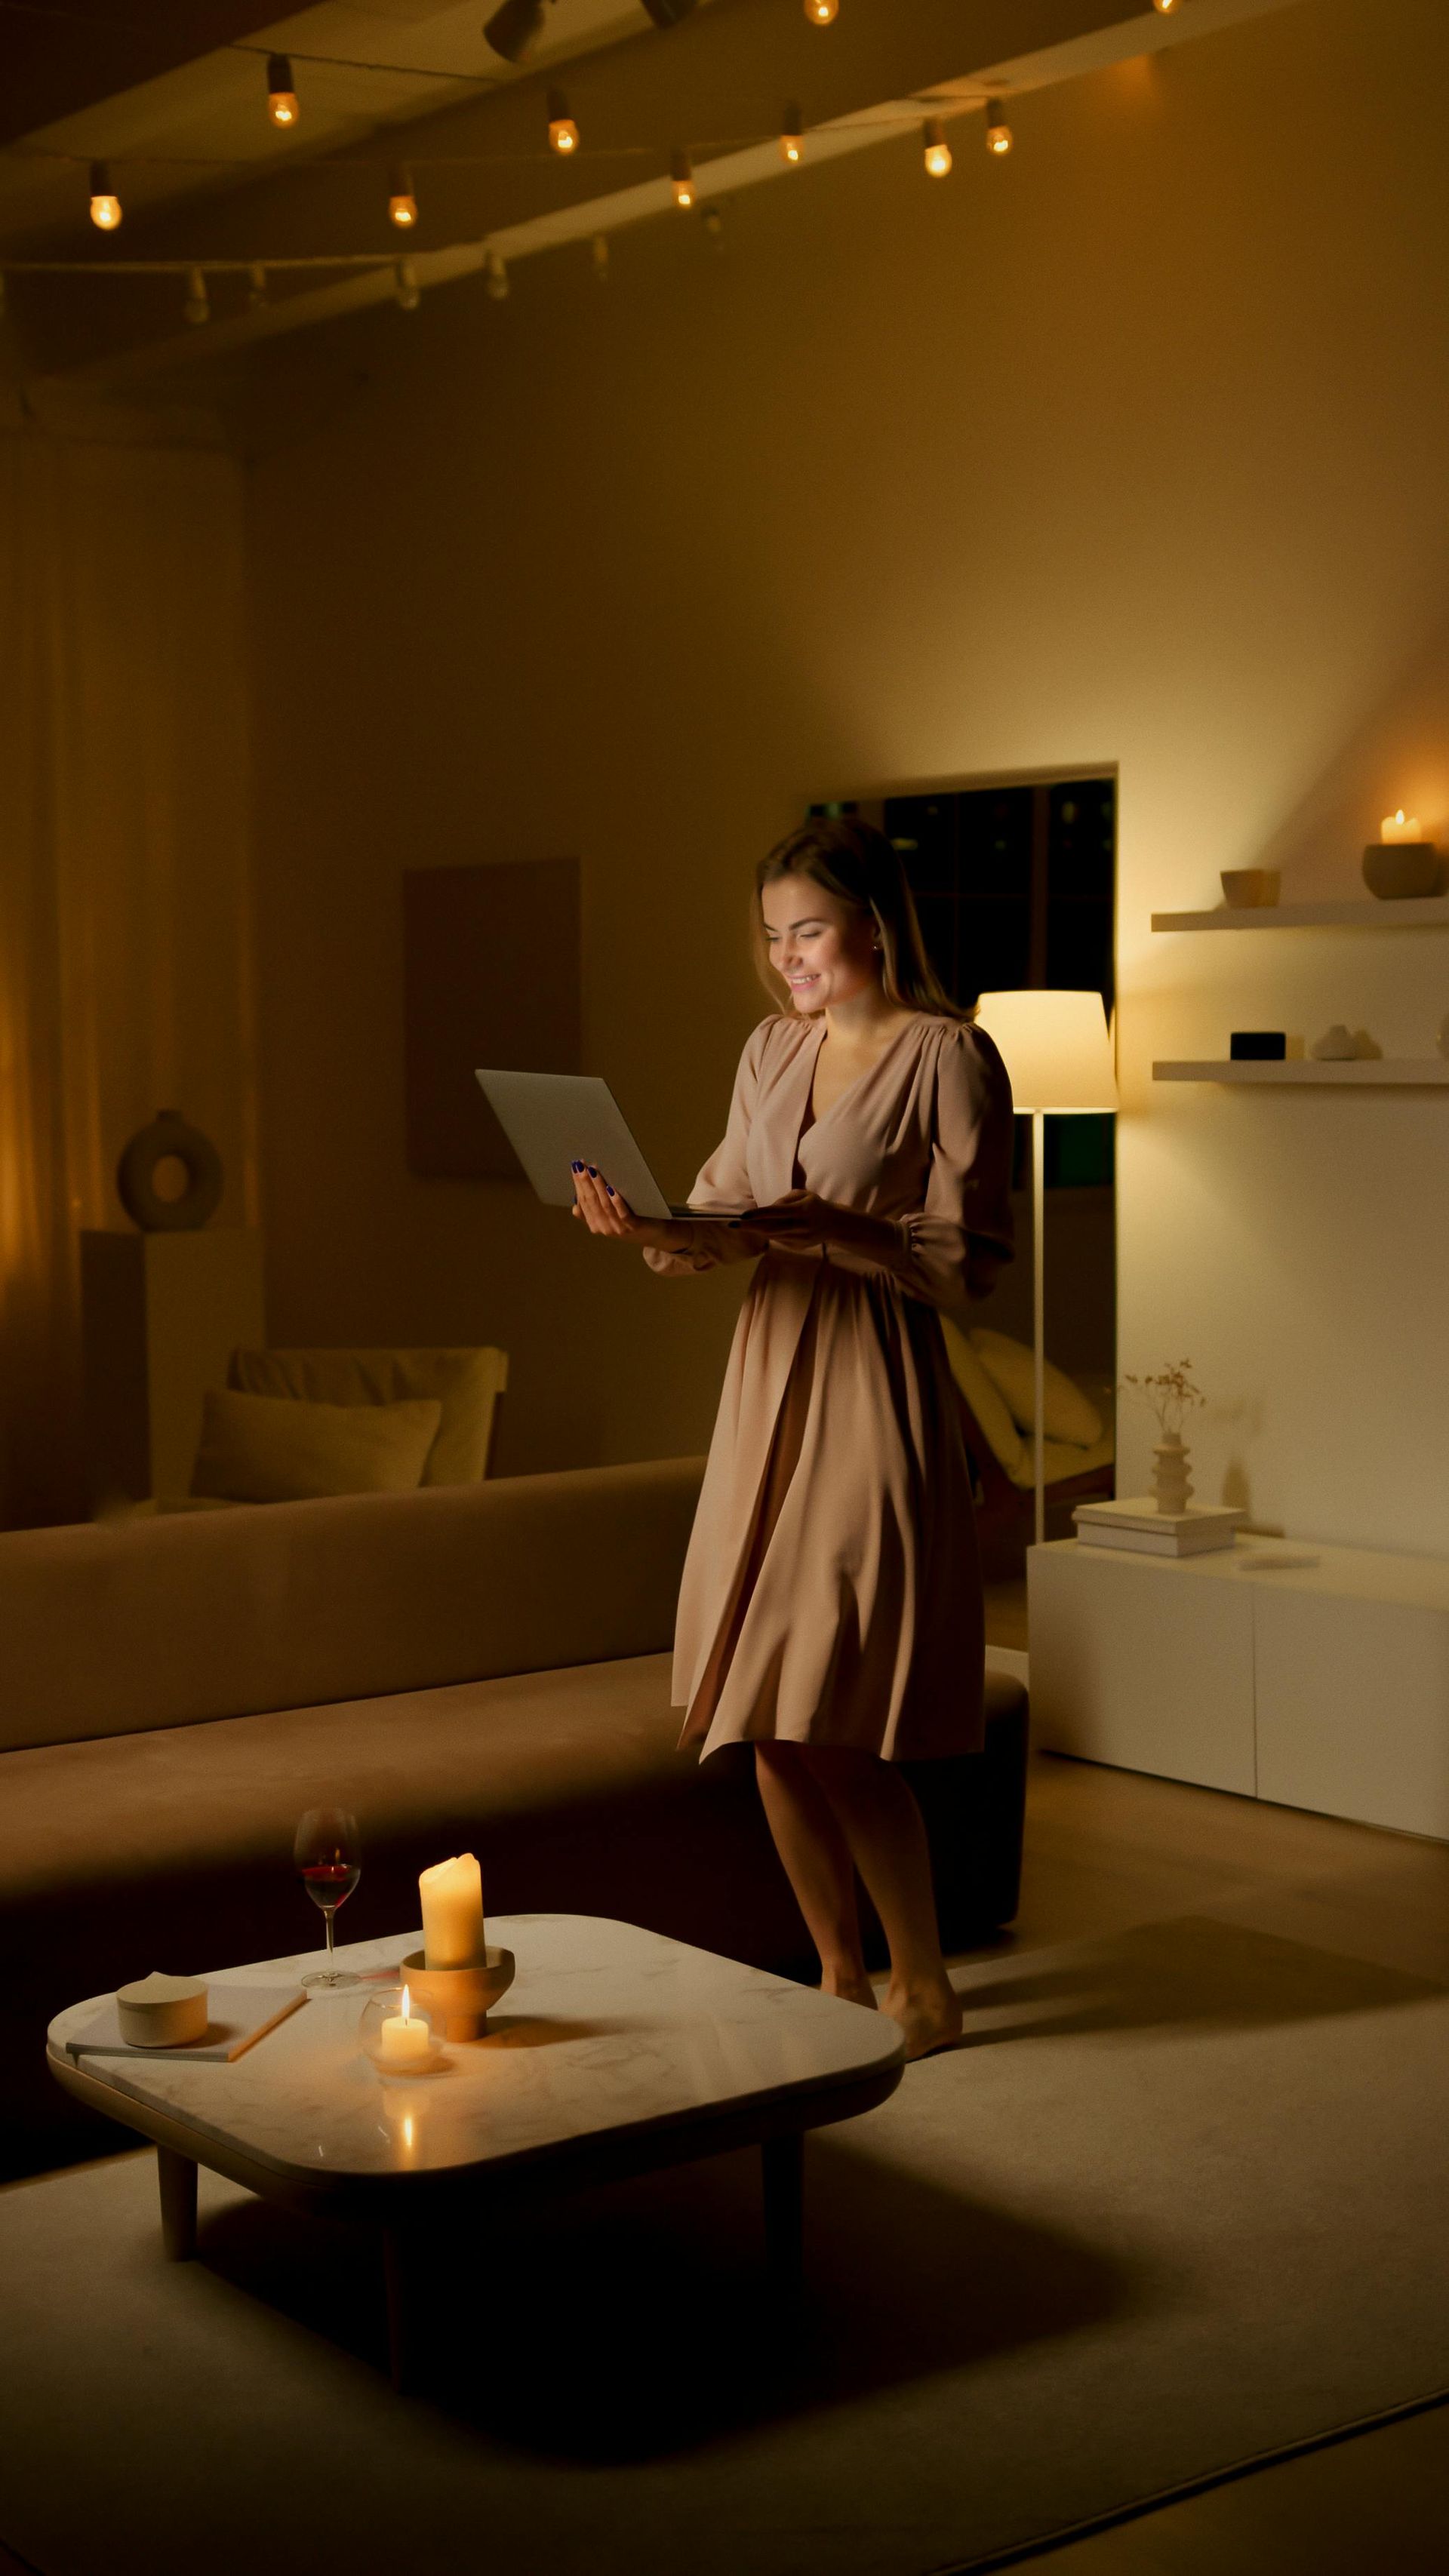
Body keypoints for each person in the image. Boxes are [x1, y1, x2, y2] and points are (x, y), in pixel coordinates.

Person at [571, 816, 1014, 2058]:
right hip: (766, 1374)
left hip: (873, 1381)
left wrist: (833, 1230)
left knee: (831, 1702)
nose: (786, 961)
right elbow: (720, 1215)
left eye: (807, 931)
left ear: (874, 921)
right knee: (759, 1706)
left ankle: (921, 1983)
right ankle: (833, 1976)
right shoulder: (767, 1050)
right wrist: (646, 1225)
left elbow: (970, 1265)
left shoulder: (950, 1055)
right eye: (772, 937)